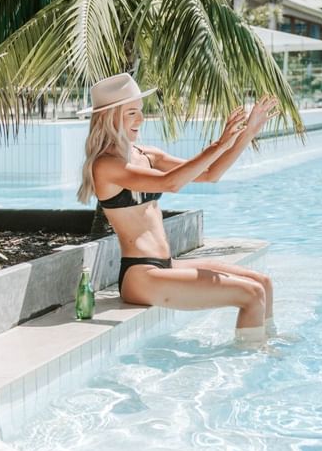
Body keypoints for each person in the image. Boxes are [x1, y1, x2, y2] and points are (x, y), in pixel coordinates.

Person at [77, 73, 280, 345]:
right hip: (141, 275)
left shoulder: (146, 155)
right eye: (132, 113)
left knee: (263, 282)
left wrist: (248, 132)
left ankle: (267, 346)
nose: (140, 120)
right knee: (252, 294)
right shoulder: (105, 165)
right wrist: (219, 144)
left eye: (141, 112)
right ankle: (251, 360)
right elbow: (170, 183)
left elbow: (210, 174)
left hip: (166, 265)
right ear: (110, 117)